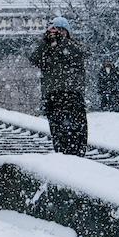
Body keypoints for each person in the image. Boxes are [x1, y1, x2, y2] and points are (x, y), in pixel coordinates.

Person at [28, 17, 88, 156]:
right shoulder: (47, 48)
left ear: (67, 32)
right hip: (53, 94)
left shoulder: (73, 46)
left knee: (77, 129)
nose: (58, 33)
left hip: (73, 93)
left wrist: (60, 41)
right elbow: (34, 59)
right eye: (56, 30)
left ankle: (77, 154)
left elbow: (77, 54)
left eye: (61, 30)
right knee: (57, 129)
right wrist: (45, 42)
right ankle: (62, 154)